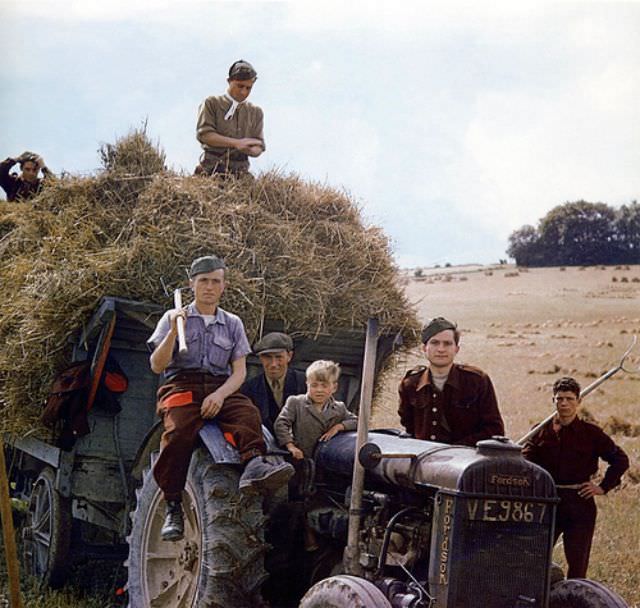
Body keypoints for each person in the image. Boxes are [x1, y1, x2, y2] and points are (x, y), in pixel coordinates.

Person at [147, 255, 294, 541]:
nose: (209, 287)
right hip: (181, 386)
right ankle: (173, 505)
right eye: (203, 281)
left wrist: (219, 394)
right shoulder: (172, 317)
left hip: (220, 385)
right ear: (192, 284)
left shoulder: (233, 323)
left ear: (223, 286)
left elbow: (238, 373)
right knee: (177, 432)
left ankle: (254, 466)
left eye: (216, 281)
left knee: (248, 415)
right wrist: (173, 332)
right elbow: (157, 365)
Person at [522, 376, 629, 579]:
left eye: (570, 399)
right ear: (553, 400)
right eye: (559, 398)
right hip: (546, 503)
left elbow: (620, 460)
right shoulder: (540, 431)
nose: (564, 403)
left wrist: (603, 487)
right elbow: (524, 464)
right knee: (533, 560)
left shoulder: (592, 433)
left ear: (579, 402)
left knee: (577, 566)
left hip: (580, 505)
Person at [398, 316, 504, 445]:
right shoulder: (410, 384)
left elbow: (494, 430)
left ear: (456, 349)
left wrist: (456, 449)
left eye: (447, 343)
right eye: (435, 343)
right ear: (424, 348)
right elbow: (409, 426)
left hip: (467, 459)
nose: (441, 349)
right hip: (425, 459)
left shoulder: (476, 381)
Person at [274, 360, 357, 460]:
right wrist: (291, 446)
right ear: (307, 384)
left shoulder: (339, 408)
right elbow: (280, 424)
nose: (319, 390)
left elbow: (357, 422)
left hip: (327, 462)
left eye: (324, 385)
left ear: (334, 387)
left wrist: (339, 427)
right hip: (300, 460)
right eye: (314, 385)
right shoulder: (296, 402)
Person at [195, 59, 265, 177]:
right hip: (212, 168)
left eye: (248, 88)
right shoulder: (212, 103)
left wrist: (251, 150)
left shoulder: (255, 112)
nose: (243, 92)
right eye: (239, 86)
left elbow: (259, 145)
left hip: (240, 171)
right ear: (229, 81)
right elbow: (205, 135)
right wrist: (237, 143)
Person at [241, 332, 307, 434]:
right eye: (267, 357)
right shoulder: (249, 388)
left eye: (278, 357)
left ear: (289, 356)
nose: (273, 364)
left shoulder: (306, 383)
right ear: (260, 358)